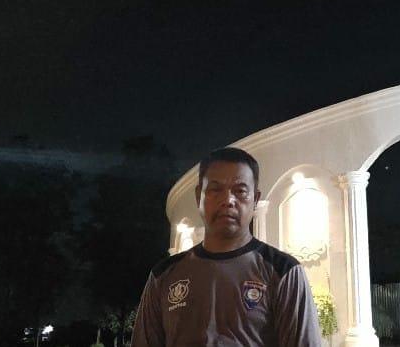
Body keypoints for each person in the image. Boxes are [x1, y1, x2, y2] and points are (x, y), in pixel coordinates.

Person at [131, 147, 323, 347]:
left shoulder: (284, 272)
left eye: (240, 191)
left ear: (255, 200)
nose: (228, 200)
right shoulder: (164, 275)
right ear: (198, 197)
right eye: (215, 190)